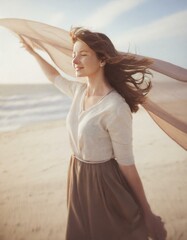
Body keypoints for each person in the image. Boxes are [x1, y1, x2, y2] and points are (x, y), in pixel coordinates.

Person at [20, 27, 167, 240]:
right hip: (77, 176)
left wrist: (148, 213)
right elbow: (53, 76)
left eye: (83, 54)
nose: (75, 60)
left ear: (102, 60)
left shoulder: (116, 107)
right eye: (73, 55)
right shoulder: (79, 92)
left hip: (104, 184)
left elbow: (127, 166)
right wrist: (33, 52)